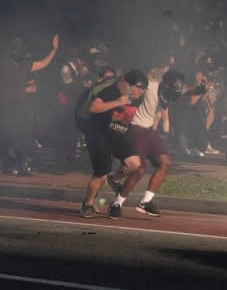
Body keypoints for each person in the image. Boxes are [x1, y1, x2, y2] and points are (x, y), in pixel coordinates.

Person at [108, 69, 205, 217]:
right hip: (134, 128)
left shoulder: (171, 91)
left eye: (179, 86)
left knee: (164, 163)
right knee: (139, 169)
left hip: (149, 131)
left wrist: (201, 88)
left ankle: (145, 202)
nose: (178, 90)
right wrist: (123, 96)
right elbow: (123, 79)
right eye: (176, 86)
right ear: (167, 84)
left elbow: (189, 90)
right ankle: (116, 204)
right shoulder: (151, 86)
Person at [0, 31, 58, 175]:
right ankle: (1, 165)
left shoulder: (26, 64)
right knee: (6, 134)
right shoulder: (3, 62)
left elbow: (43, 63)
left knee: (23, 136)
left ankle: (21, 167)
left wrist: (53, 49)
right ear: (12, 51)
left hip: (22, 105)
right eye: (16, 49)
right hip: (6, 105)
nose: (18, 51)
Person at [79, 69, 147, 219]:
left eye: (144, 89)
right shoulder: (112, 91)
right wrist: (118, 102)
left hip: (120, 134)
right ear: (129, 84)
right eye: (139, 87)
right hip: (100, 136)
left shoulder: (136, 96)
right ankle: (87, 205)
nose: (141, 91)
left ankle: (114, 179)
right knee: (100, 175)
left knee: (134, 164)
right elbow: (94, 108)